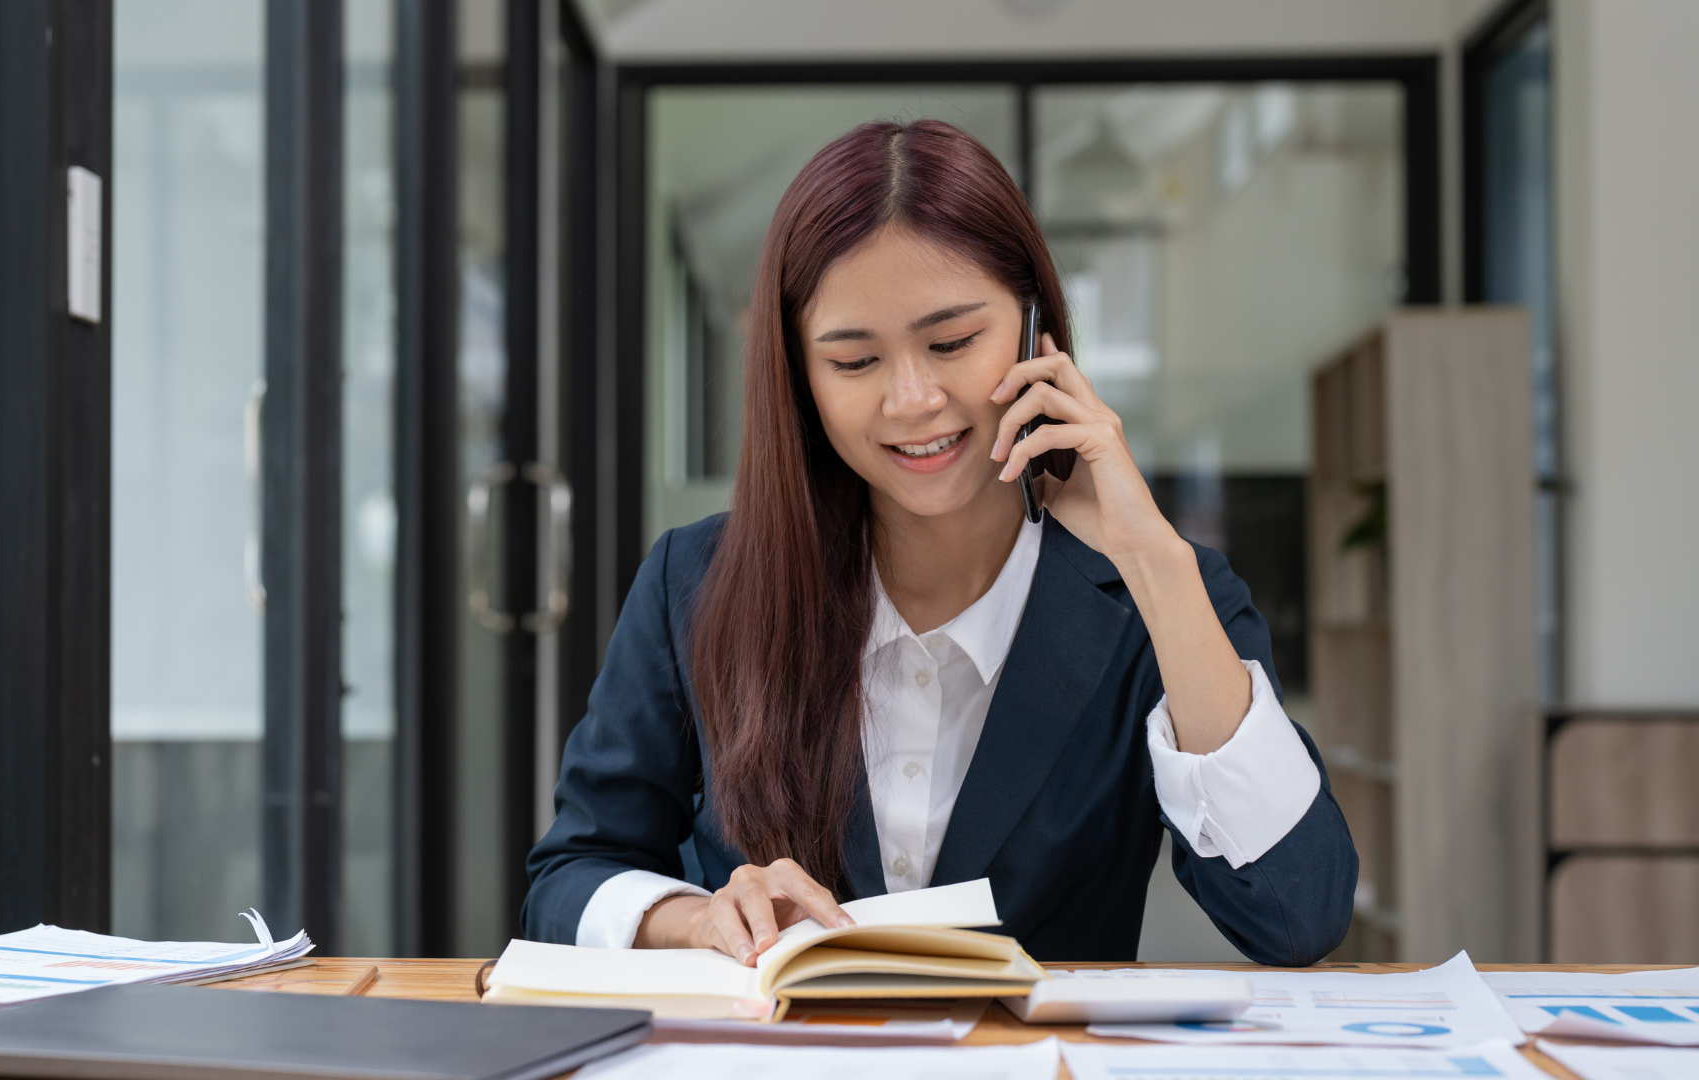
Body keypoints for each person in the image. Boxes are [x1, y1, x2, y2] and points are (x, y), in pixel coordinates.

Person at [523, 118, 1356, 967]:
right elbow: (570, 876)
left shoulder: (1158, 596)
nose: (913, 399)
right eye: (854, 361)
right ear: (799, 377)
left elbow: (1300, 915)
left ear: (1038, 330)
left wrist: (1153, 561)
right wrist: (691, 918)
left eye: (952, 342)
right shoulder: (695, 583)